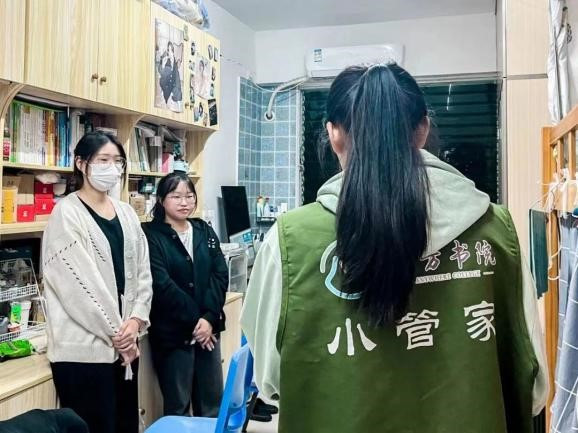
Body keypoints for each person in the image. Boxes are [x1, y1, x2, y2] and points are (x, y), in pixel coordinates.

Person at [240, 64, 549, 433]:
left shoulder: (289, 240)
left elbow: (270, 381)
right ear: (423, 129)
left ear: (334, 134)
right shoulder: (497, 232)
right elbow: (533, 387)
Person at [42, 131, 153, 433]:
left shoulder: (127, 213)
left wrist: (136, 320)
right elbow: (78, 288)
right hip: (84, 354)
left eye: (117, 161)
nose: (112, 168)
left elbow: (143, 274)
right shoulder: (66, 214)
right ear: (81, 163)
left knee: (126, 425)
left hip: (126, 346)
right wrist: (119, 334)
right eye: (103, 160)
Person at [142, 173, 229, 417]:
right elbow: (162, 284)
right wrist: (196, 322)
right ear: (161, 200)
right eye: (176, 196)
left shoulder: (203, 230)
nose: (184, 202)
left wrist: (208, 319)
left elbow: (220, 274)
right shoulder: (150, 234)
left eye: (189, 196)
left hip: (208, 330)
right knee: (178, 406)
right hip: (173, 333)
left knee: (211, 404)